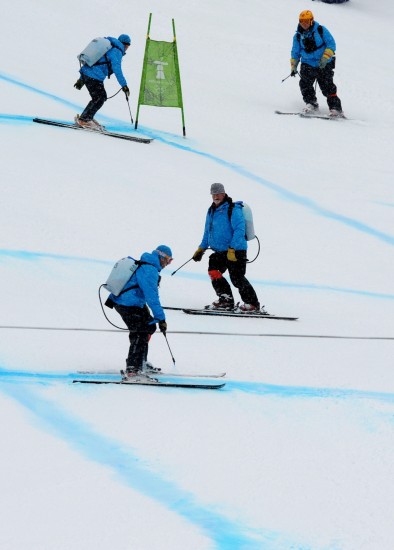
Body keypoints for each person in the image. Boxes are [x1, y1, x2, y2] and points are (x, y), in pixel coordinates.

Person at [192, 183, 262, 313]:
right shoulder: (211, 211)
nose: (216, 196)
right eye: (213, 194)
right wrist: (201, 249)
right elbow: (207, 231)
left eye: (218, 193)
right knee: (213, 271)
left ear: (224, 194)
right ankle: (226, 299)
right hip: (219, 251)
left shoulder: (233, 209)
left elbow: (239, 230)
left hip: (236, 250)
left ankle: (252, 304)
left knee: (237, 278)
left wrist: (232, 248)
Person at [107, 245, 173, 381]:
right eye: (168, 260)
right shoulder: (149, 269)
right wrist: (161, 318)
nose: (168, 263)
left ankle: (141, 362)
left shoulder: (148, 266)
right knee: (140, 331)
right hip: (127, 304)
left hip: (133, 303)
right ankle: (133, 369)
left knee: (149, 326)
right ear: (161, 257)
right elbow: (152, 296)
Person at [290, 10, 344, 117]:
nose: (304, 24)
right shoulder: (298, 36)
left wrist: (325, 58)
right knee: (305, 84)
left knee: (327, 86)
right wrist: (293, 66)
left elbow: (331, 44)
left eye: (306, 21)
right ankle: (311, 104)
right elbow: (295, 52)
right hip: (307, 63)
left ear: (311, 21)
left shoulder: (321, 30)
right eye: (301, 21)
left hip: (323, 64)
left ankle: (336, 109)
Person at [74, 34, 131, 130]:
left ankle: (86, 117)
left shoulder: (110, 47)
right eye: (127, 46)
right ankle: (85, 119)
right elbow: (117, 70)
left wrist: (81, 79)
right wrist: (124, 85)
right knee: (100, 98)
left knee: (98, 97)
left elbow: (92, 62)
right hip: (94, 76)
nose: (126, 48)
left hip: (88, 74)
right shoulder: (117, 51)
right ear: (124, 44)